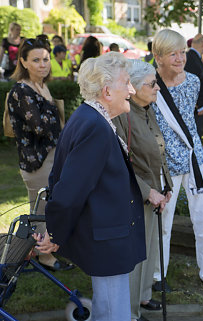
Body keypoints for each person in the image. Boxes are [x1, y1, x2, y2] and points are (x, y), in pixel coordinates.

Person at [40, 52, 145, 321]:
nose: (132, 90)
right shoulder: (94, 126)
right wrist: (55, 233)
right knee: (113, 313)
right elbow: (68, 191)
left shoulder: (90, 117)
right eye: (127, 83)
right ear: (107, 90)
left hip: (108, 237)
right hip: (107, 240)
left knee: (109, 307)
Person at [150, 29, 203, 295]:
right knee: (163, 224)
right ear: (157, 57)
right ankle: (157, 275)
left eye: (182, 52)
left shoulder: (194, 81)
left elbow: (189, 123)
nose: (179, 58)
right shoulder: (149, 84)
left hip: (193, 159)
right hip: (163, 165)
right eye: (173, 53)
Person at [112, 59, 173, 321]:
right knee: (137, 254)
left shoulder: (148, 109)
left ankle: (143, 296)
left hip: (155, 192)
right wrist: (148, 190)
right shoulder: (122, 115)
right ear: (135, 87)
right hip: (138, 194)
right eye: (152, 84)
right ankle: (131, 312)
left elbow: (159, 149)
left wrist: (167, 185)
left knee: (150, 248)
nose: (158, 87)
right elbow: (121, 163)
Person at [6, 37, 73, 272]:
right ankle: (43, 258)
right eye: (36, 60)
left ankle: (38, 250)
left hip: (52, 156)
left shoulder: (42, 86)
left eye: (46, 59)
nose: (43, 64)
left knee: (48, 207)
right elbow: (40, 127)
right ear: (23, 62)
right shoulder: (21, 91)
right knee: (42, 211)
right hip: (36, 161)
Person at [185, 33, 203, 139]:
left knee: (197, 130)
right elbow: (192, 83)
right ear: (202, 44)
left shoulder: (193, 57)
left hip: (196, 104)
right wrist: (199, 104)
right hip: (195, 106)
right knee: (195, 131)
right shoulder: (191, 58)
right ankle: (195, 153)